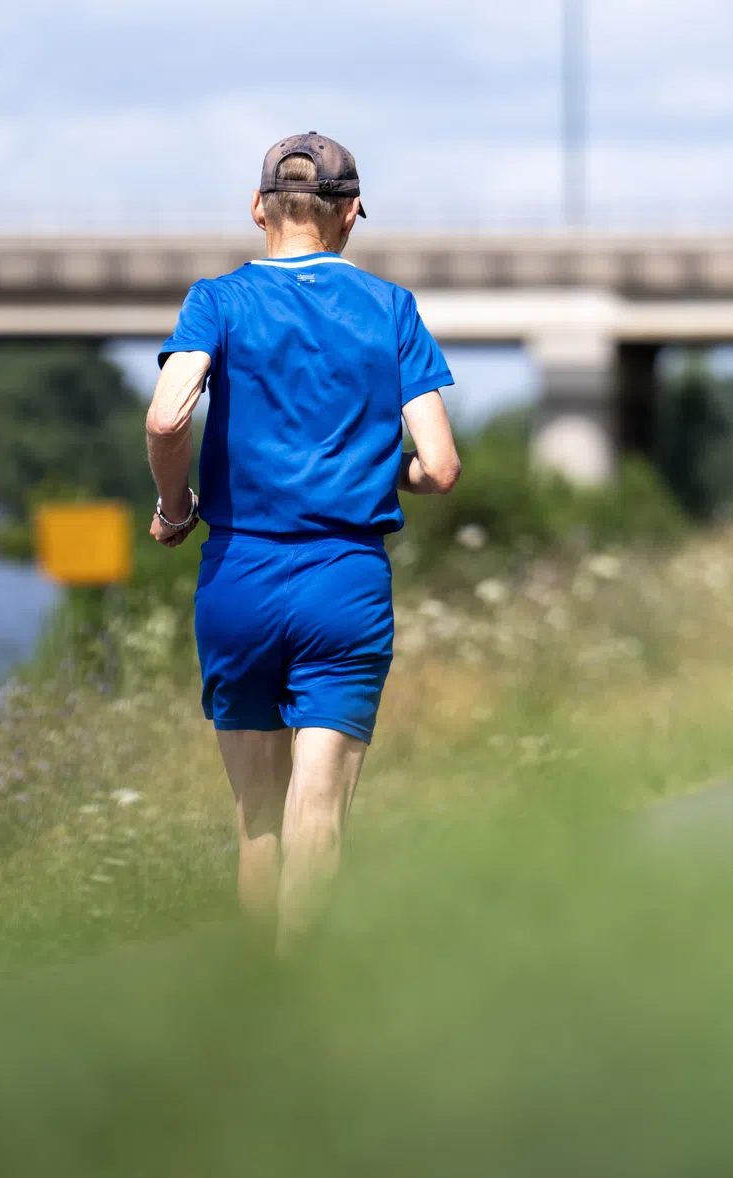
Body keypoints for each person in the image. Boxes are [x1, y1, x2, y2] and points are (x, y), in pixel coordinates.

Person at [144, 132, 462, 953]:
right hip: (344, 584)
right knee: (318, 811)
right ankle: (302, 998)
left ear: (258, 209)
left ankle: (258, 1009)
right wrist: (388, 476)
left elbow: (165, 416)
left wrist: (175, 507)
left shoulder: (216, 301)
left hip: (238, 579)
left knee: (257, 816)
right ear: (350, 213)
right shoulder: (391, 308)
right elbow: (441, 464)